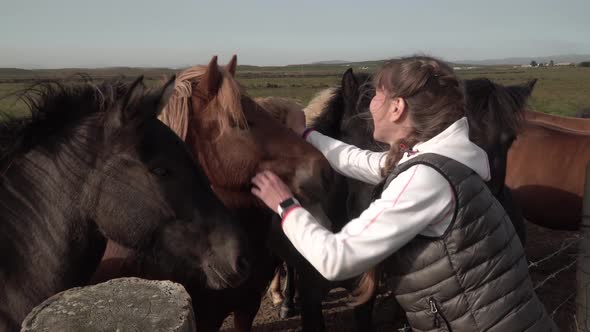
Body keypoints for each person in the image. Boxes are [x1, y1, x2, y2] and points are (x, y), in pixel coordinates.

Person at [251, 55, 557, 331]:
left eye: (376, 96)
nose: (370, 104)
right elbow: (364, 162)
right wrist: (305, 135)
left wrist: (285, 205)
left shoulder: (427, 178)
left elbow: (337, 259)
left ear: (397, 108)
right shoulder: (447, 157)